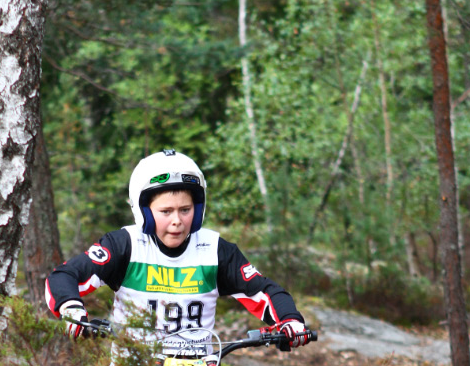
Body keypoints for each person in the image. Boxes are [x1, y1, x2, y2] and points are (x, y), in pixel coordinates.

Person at [45, 149, 310, 349]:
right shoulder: (125, 244)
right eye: (166, 211)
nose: (177, 220)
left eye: (185, 210)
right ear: (144, 211)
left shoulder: (215, 250)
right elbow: (64, 275)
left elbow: (264, 290)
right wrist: (71, 308)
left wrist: (289, 321)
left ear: (198, 210)